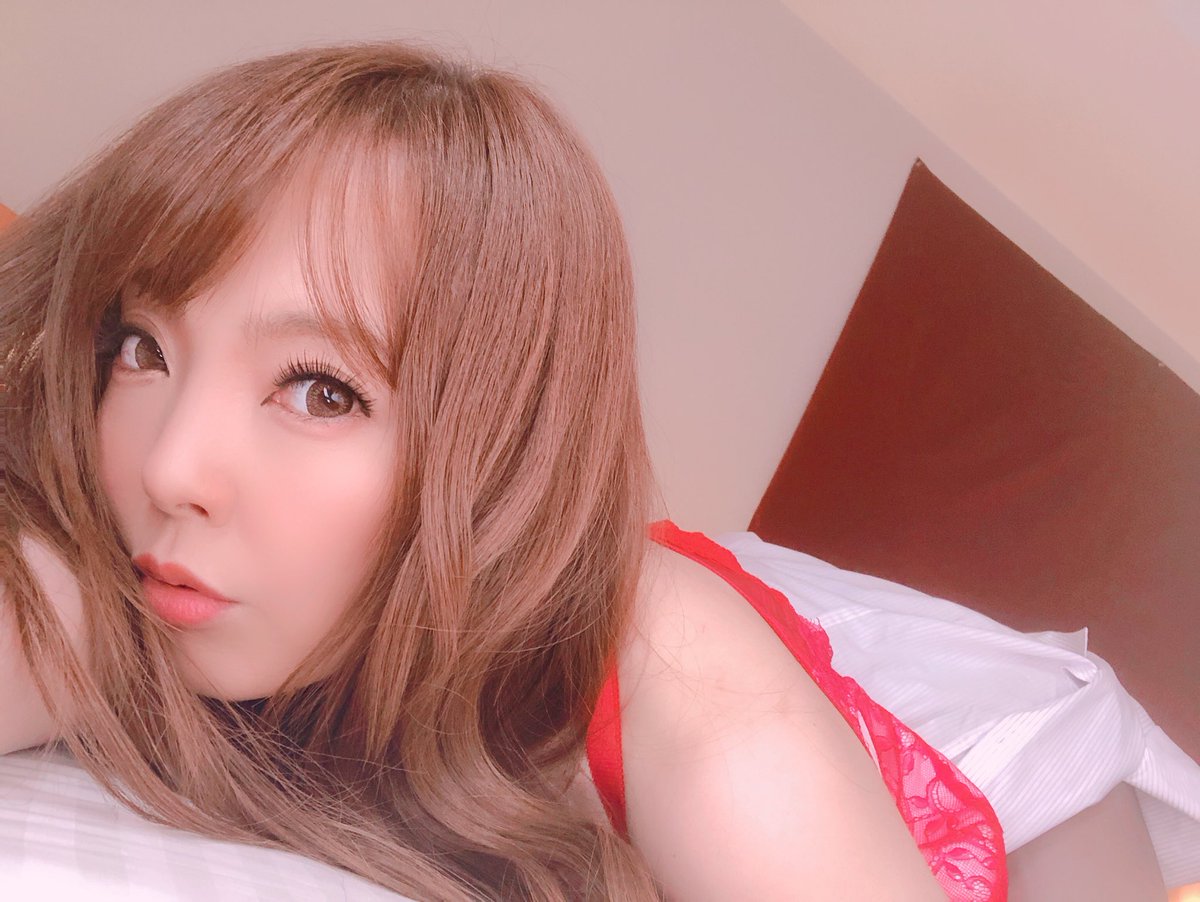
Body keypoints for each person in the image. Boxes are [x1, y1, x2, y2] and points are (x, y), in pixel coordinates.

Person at [0, 40, 1169, 901]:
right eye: (142, 347)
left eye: (322, 389)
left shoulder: (680, 683)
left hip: (987, 755)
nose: (173, 465)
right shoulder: (137, 517)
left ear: (495, 449)